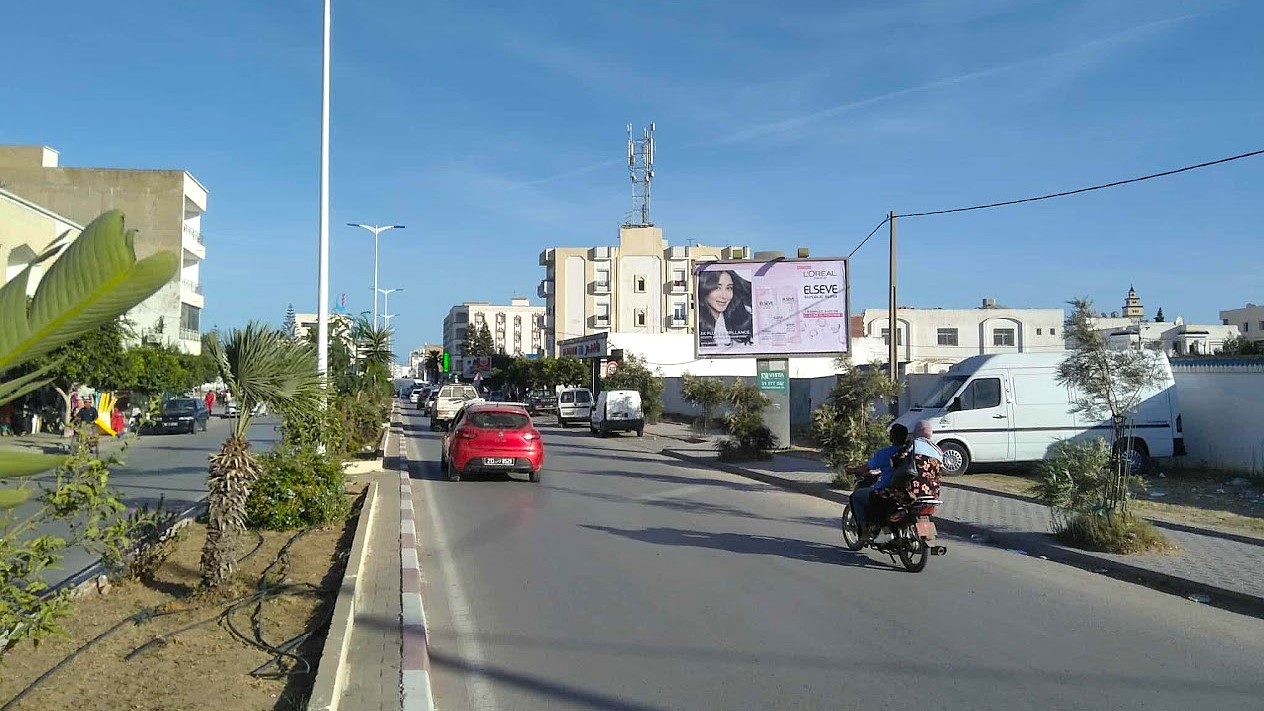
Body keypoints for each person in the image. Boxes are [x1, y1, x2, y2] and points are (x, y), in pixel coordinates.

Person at [870, 419, 945, 531]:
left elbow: (897, 460)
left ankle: (884, 527)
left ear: (917, 431)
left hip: (911, 492)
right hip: (932, 493)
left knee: (878, 495)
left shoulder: (913, 445)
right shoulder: (938, 451)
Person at [848, 423, 909, 537]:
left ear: (891, 437)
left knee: (856, 496)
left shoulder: (885, 453)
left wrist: (851, 470)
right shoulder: (910, 452)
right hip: (907, 492)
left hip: (887, 490)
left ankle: (864, 530)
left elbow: (866, 468)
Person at [697, 270, 753, 348]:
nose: (724, 296)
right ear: (705, 289)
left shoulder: (740, 319)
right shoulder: (696, 323)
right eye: (717, 288)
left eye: (729, 288)